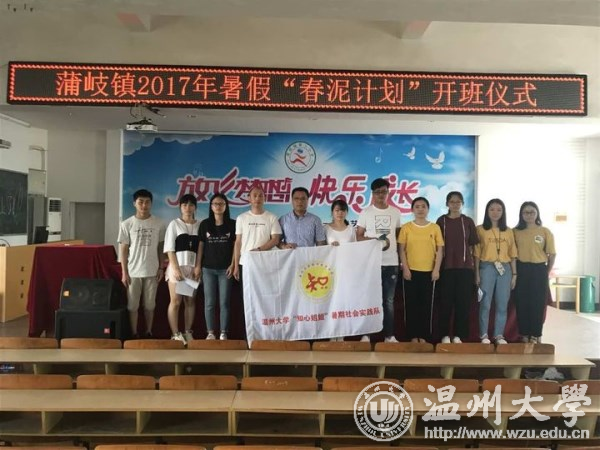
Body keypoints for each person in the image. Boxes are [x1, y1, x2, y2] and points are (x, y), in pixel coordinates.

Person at [356, 178, 402, 343]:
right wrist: (374, 240)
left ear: (388, 192)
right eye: (377, 192)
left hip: (391, 263)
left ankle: (389, 336)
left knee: (388, 301)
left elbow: (399, 238)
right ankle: (366, 335)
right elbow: (358, 236)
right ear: (372, 194)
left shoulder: (395, 212)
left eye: (384, 191)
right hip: (371, 263)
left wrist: (401, 260)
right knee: (369, 299)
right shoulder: (366, 212)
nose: (381, 195)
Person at [233, 185, 282, 333]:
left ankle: (267, 331)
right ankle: (248, 334)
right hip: (245, 264)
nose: (257, 198)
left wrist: (259, 250)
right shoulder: (242, 218)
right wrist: (235, 265)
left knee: (265, 297)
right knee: (246, 298)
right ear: (249, 198)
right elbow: (238, 242)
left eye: (261, 195)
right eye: (254, 195)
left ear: (264, 198)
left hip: (265, 265)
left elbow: (275, 239)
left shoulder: (271, 217)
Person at [117, 189, 166, 339]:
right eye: (140, 202)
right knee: (132, 306)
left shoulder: (159, 223)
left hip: (152, 271)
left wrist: (161, 268)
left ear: (151, 203)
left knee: (150, 305)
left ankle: (148, 332)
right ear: (134, 203)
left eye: (147, 202)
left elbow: (161, 248)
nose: (144, 205)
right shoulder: (127, 224)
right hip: (133, 272)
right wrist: (124, 273)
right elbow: (123, 250)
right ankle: (134, 333)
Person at [399, 197, 444, 343]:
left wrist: (436, 270)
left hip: (429, 273)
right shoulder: (406, 227)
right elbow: (401, 250)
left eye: (423, 206)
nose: (420, 209)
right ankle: (412, 335)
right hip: (410, 272)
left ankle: (424, 336)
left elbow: (440, 250)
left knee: (426, 306)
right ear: (412, 209)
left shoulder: (434, 228)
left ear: (428, 209)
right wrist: (405, 269)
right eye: (417, 206)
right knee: (411, 305)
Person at [436, 191, 478, 344]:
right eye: (452, 202)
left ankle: (459, 335)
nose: (455, 204)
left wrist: (475, 271)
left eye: (458, 201)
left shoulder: (468, 221)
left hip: (465, 269)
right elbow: (437, 245)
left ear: (462, 204)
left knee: (463, 303)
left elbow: (473, 246)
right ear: (447, 204)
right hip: (446, 268)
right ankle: (444, 335)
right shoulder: (441, 221)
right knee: (445, 303)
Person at [474, 198, 518, 345]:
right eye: (492, 209)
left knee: (502, 304)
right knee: (485, 303)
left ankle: (499, 335)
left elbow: (513, 254)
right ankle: (483, 334)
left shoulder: (508, 231)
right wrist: (477, 273)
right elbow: (476, 254)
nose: (495, 212)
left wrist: (514, 274)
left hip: (505, 269)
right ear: (487, 211)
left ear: (503, 212)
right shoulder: (480, 229)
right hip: (486, 267)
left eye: (499, 209)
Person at [194, 193, 236, 341]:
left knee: (224, 302)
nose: (218, 206)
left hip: (226, 269)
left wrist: (233, 264)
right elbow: (201, 246)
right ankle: (210, 332)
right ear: (211, 207)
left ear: (226, 206)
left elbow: (236, 246)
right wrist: (198, 266)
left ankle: (223, 332)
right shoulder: (205, 224)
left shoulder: (232, 224)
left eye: (221, 204)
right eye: (215, 204)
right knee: (209, 302)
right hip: (208, 269)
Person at [513, 201, 556, 344]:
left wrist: (546, 271)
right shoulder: (515, 232)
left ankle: (536, 334)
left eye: (532, 212)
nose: (529, 215)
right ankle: (524, 334)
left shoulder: (545, 231)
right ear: (521, 214)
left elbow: (552, 254)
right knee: (522, 302)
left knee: (538, 303)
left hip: (539, 269)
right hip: (521, 269)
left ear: (537, 213)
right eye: (526, 212)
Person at [164, 194, 201, 344]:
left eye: (191, 205)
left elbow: (201, 248)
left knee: (190, 301)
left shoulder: (200, 225)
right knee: (175, 301)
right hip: (177, 267)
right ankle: (175, 334)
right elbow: (169, 249)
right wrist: (175, 268)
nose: (188, 208)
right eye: (185, 205)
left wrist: (198, 266)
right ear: (180, 207)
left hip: (192, 269)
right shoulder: (174, 224)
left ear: (195, 208)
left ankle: (187, 332)